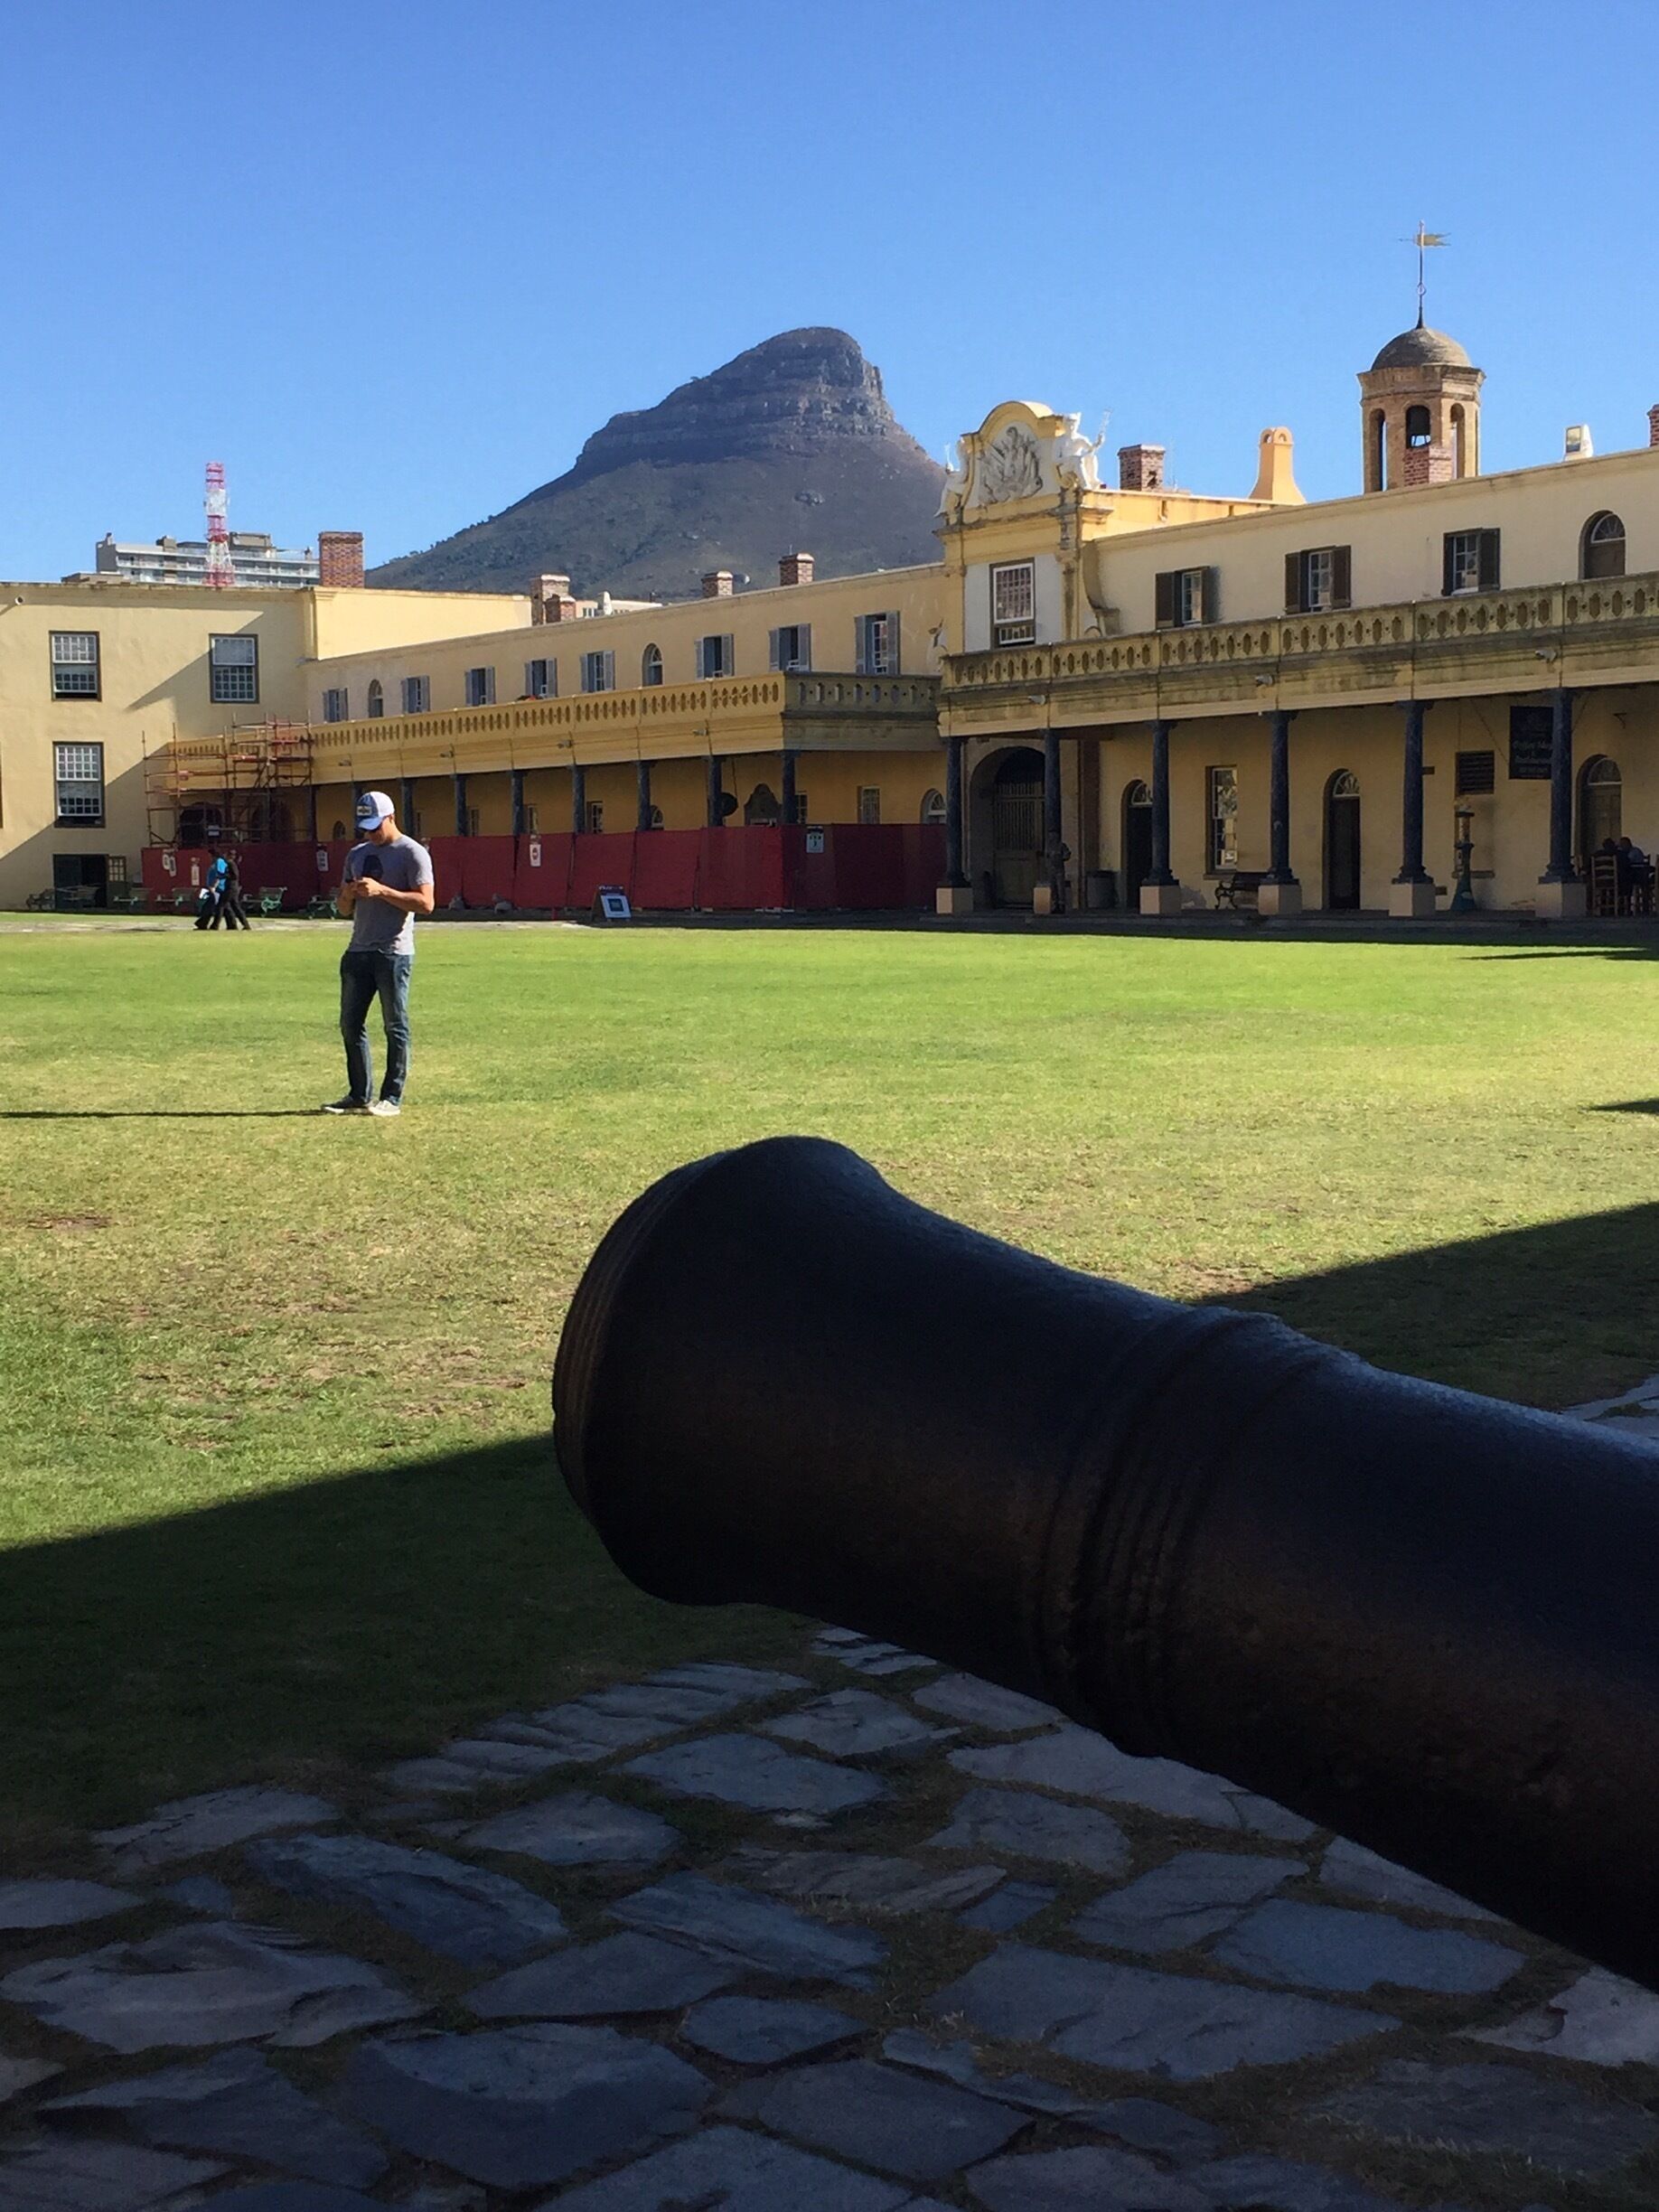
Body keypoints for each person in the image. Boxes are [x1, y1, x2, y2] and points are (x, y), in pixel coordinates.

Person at [323, 790, 435, 1118]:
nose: (371, 834)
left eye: (376, 827)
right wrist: (346, 894)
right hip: (358, 949)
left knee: (394, 1025)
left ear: (391, 817)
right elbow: (344, 909)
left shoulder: (413, 853)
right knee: (350, 1024)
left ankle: (392, 1097)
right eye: (366, 828)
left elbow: (427, 903)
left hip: (393, 952)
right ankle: (359, 1094)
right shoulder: (357, 854)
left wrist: (383, 891)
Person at [210, 849, 249, 931]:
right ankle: (245, 924)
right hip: (233, 888)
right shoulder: (230, 864)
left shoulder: (231, 864)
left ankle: (215, 925)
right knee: (236, 907)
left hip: (230, 888)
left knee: (221, 905)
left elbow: (235, 876)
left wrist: (223, 876)